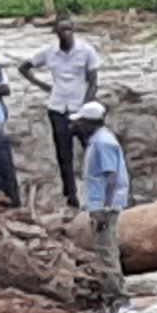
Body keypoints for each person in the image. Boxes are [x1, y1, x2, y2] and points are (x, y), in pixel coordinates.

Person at [25, 20, 100, 209]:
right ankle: (71, 195)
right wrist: (43, 86)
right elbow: (24, 67)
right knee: (64, 155)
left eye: (69, 29)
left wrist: (87, 105)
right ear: (56, 33)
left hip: (79, 108)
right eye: (62, 30)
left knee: (91, 149)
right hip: (58, 108)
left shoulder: (86, 51)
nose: (66, 33)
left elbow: (93, 81)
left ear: (74, 30)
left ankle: (96, 190)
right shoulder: (49, 52)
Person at [75, 101, 129, 303]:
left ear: (90, 123)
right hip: (100, 205)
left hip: (104, 207)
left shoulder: (103, 143)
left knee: (106, 251)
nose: (78, 126)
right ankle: (110, 291)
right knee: (104, 249)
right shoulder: (98, 140)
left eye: (81, 122)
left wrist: (104, 209)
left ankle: (116, 295)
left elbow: (110, 176)